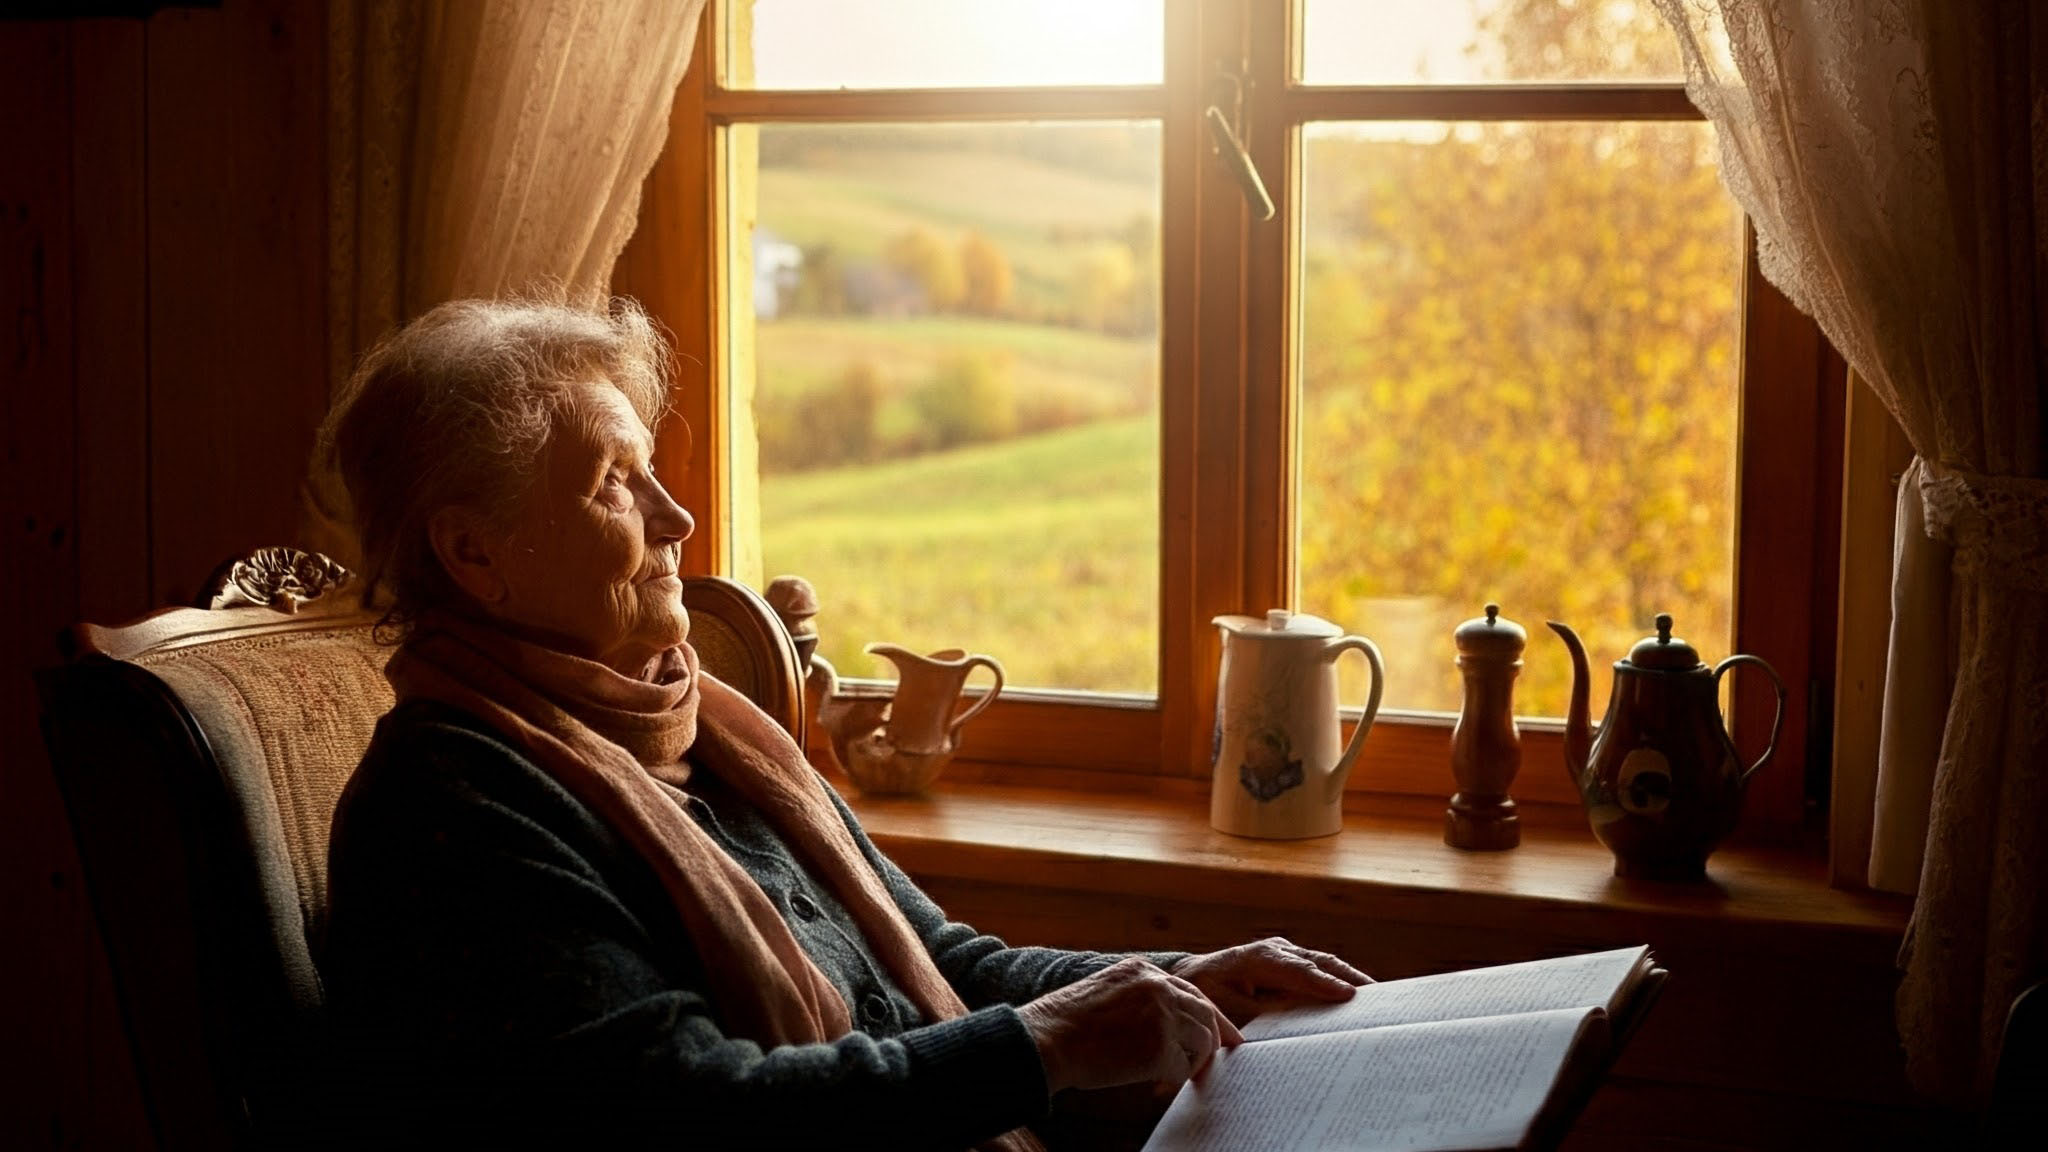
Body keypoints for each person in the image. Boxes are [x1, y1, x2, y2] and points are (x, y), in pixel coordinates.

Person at [317, 297, 1370, 1149]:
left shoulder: (709, 729)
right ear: (475, 555)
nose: (676, 518)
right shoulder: (453, 801)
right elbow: (692, 1112)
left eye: (653, 471)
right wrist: (1043, 1048)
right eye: (614, 484)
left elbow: (943, 959)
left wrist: (1175, 980)